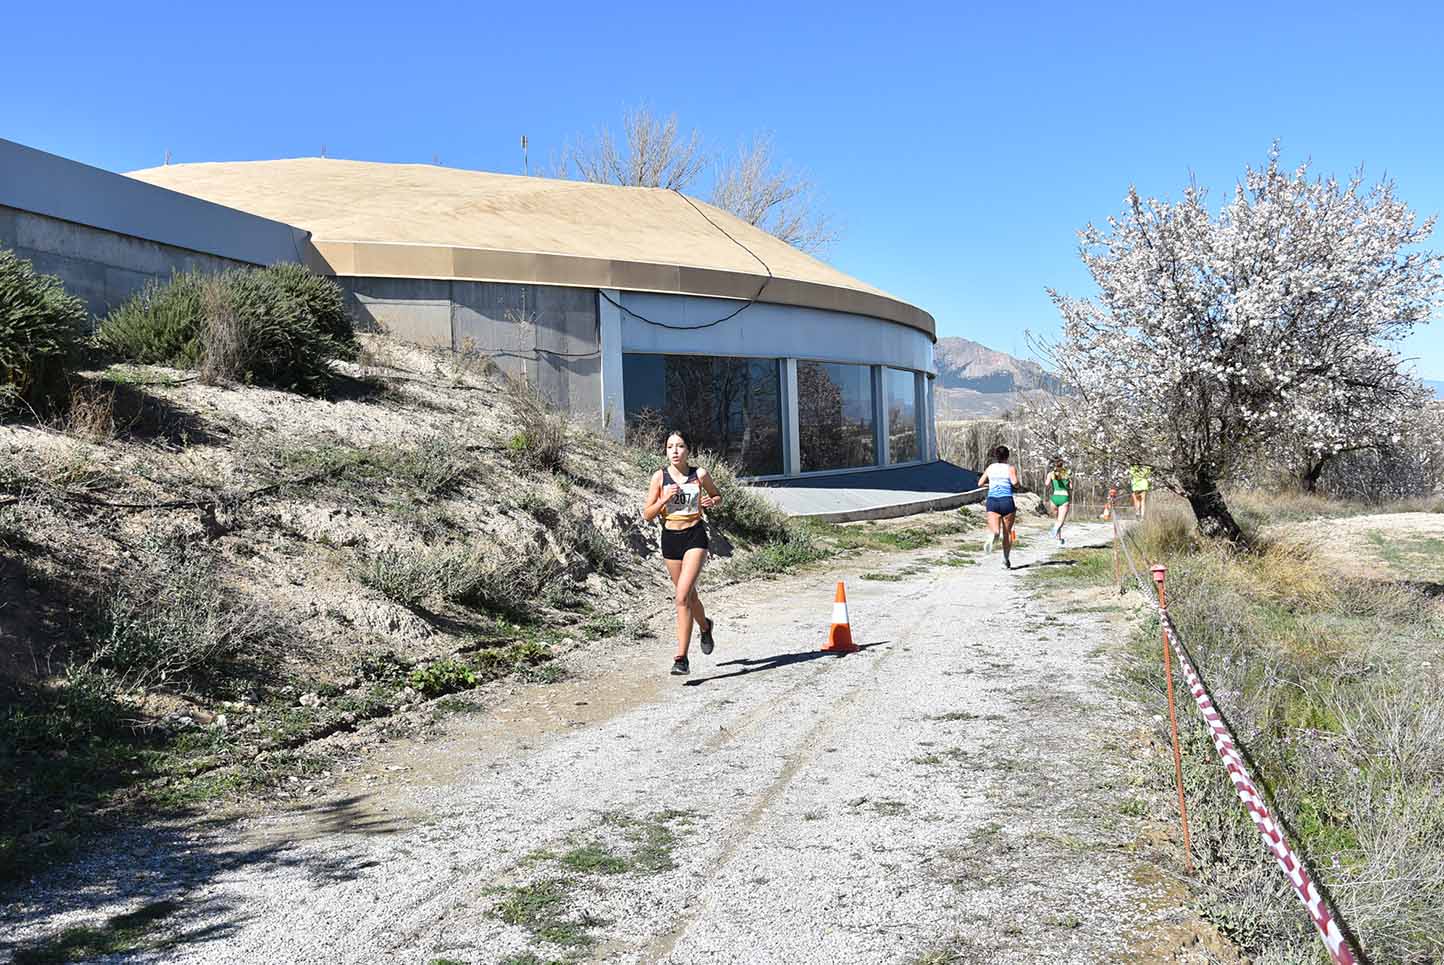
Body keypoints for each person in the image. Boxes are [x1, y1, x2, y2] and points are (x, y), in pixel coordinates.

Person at [642, 431, 722, 675]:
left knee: (681, 597)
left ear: (688, 450)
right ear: (665, 451)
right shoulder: (660, 477)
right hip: (670, 539)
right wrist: (664, 499)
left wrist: (712, 501)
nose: (675, 451)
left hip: (694, 536)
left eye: (680, 446)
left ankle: (681, 658)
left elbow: (716, 495)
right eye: (670, 447)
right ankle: (705, 626)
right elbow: (647, 514)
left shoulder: (700, 475)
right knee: (689, 597)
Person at [978, 444, 1020, 569]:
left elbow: (980, 483)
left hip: (993, 501)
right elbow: (1015, 482)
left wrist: (991, 484)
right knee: (1008, 533)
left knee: (996, 530)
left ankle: (994, 535)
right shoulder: (1010, 468)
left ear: (996, 456)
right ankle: (1005, 560)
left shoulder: (990, 467)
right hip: (1006, 501)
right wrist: (1018, 485)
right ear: (1007, 456)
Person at [1044, 456, 1072, 545]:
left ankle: (1059, 539)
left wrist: (1050, 478)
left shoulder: (1051, 474)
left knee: (1057, 520)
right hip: (1064, 497)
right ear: (1062, 465)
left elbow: (1046, 484)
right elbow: (1071, 487)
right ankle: (1054, 530)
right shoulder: (1066, 474)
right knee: (1060, 521)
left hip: (1054, 498)